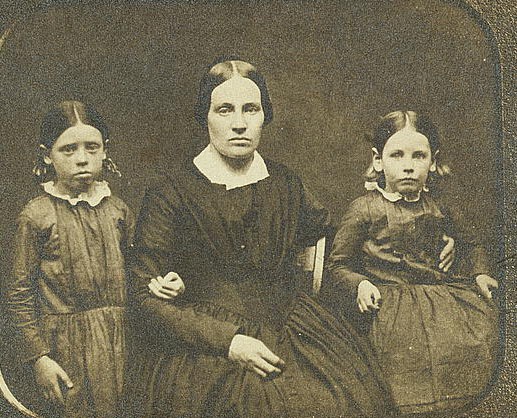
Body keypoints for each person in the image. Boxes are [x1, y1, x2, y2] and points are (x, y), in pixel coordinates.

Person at [124, 58, 397, 418]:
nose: (239, 123)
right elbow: (145, 300)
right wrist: (230, 342)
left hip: (293, 328)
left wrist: (410, 237)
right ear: (204, 116)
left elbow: (335, 251)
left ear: (265, 115)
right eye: (224, 110)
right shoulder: (170, 192)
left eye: (250, 109)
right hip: (207, 346)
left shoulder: (284, 183)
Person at [324, 110, 500, 415]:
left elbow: (472, 242)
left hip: (441, 300)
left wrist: (481, 272)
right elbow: (337, 265)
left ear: (432, 161)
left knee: (473, 340)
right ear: (379, 161)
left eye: (419, 156)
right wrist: (361, 284)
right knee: (400, 359)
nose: (408, 166)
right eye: (397, 155)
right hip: (389, 304)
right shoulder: (364, 209)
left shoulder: (440, 205)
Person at [6, 101, 134, 417]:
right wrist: (40, 358)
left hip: (123, 346)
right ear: (47, 154)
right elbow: (19, 296)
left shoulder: (118, 210)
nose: (81, 159)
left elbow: (140, 275)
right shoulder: (36, 216)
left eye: (92, 148)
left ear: (105, 151)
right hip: (65, 352)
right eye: (68, 149)